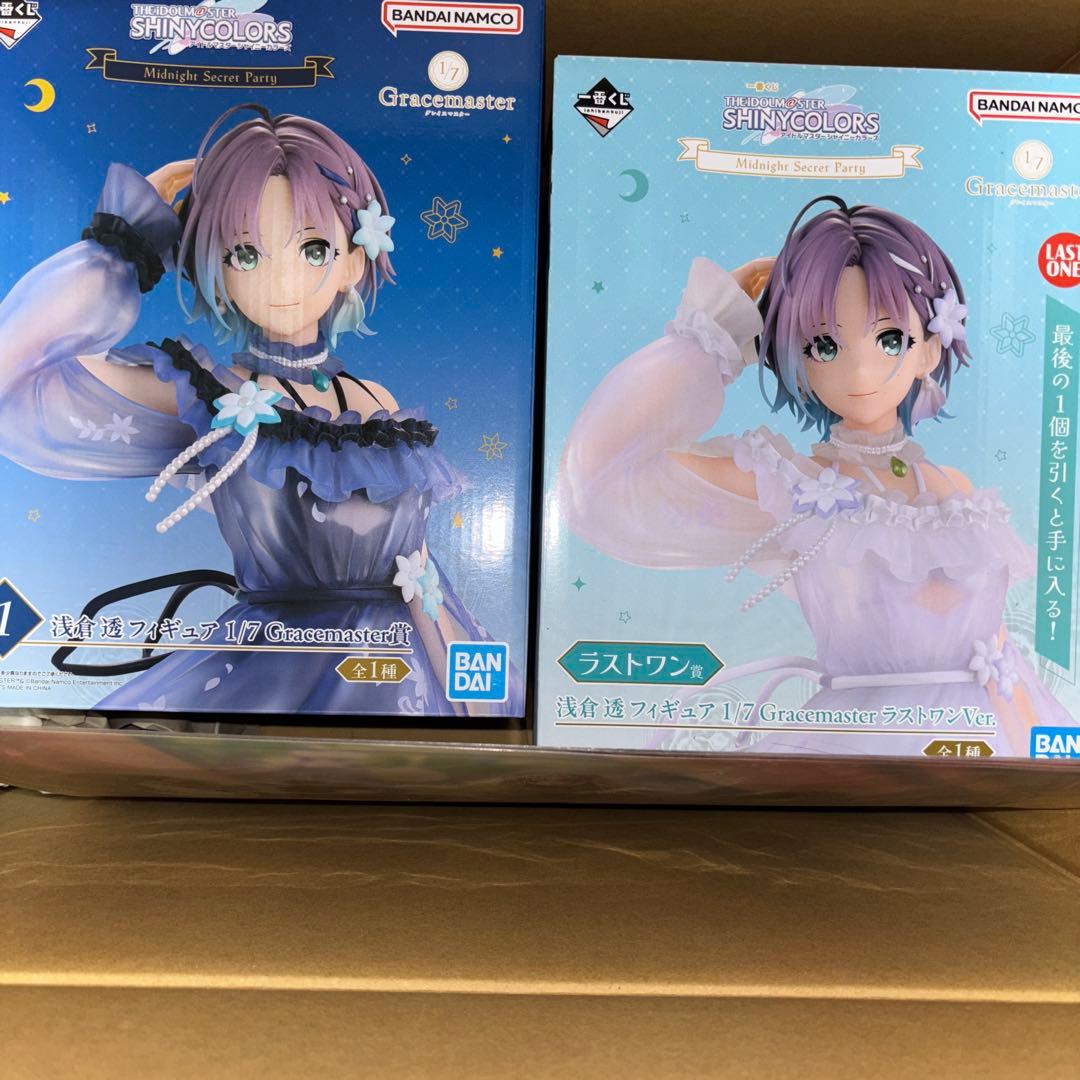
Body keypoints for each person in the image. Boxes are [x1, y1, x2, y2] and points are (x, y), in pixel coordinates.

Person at [0, 103, 520, 718]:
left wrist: (473, 696)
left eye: (314, 248)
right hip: (280, 668)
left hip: (404, 670)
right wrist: (127, 242)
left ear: (353, 261)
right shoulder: (209, 396)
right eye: (245, 254)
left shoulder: (377, 405)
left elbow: (420, 572)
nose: (281, 280)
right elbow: (16, 373)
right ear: (212, 268)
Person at [559, 195, 1069, 756]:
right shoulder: (793, 486)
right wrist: (711, 333)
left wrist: (1042, 752)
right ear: (795, 356)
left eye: (890, 340)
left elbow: (1001, 658)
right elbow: (602, 476)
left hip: (986, 745)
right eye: (824, 345)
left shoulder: (961, 494)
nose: (860, 369)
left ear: (929, 350)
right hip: (859, 746)